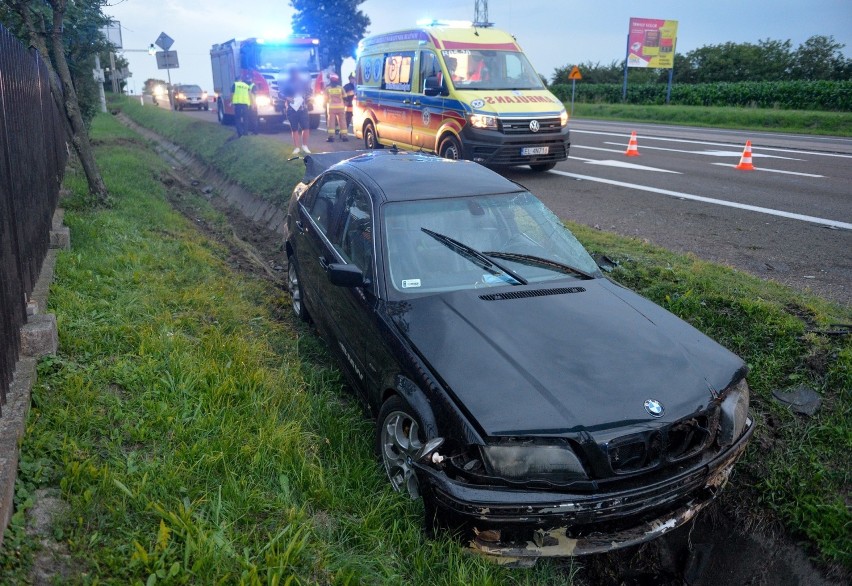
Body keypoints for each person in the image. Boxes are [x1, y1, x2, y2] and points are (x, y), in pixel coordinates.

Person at [280, 66, 312, 155]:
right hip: (291, 109)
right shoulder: (287, 83)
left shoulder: (303, 83)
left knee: (306, 127)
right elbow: (280, 94)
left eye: (296, 73)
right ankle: (297, 147)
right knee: (294, 128)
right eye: (293, 73)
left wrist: (306, 97)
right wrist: (287, 98)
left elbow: (310, 91)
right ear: (291, 74)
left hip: (303, 107)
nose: (295, 74)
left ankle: (305, 146)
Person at [324, 73, 347, 143]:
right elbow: (345, 97)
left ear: (330, 80)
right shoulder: (340, 88)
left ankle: (331, 137)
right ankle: (344, 137)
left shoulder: (327, 89)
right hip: (341, 107)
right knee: (342, 122)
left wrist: (325, 104)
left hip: (331, 108)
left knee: (331, 123)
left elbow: (325, 99)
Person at [231, 72, 255, 137]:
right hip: (245, 104)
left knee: (238, 118)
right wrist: (252, 104)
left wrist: (231, 102)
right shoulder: (246, 86)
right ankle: (245, 132)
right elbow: (250, 95)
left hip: (238, 104)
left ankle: (240, 132)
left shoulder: (235, 84)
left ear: (236, 80)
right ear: (241, 80)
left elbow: (232, 94)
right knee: (245, 118)